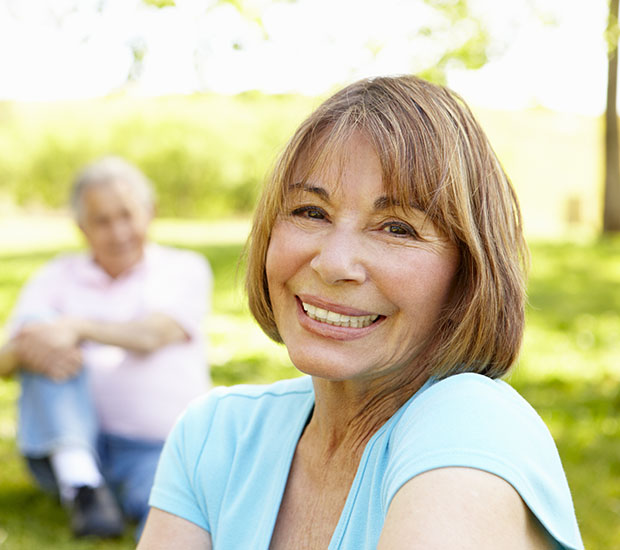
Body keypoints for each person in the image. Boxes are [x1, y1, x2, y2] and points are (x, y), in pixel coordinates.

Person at [138, 76, 584, 550]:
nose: (333, 264)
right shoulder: (217, 436)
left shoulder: (474, 428)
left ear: (467, 273)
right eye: (311, 212)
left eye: (397, 228)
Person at [3, 156, 212, 539]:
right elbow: (4, 358)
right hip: (72, 446)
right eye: (102, 221)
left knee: (179, 516)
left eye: (127, 215)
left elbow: (152, 335)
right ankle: (82, 481)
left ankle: (99, 500)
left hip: (158, 448)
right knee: (36, 325)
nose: (118, 232)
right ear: (81, 227)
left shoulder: (184, 268)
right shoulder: (55, 276)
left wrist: (75, 329)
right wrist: (35, 346)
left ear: (150, 212)